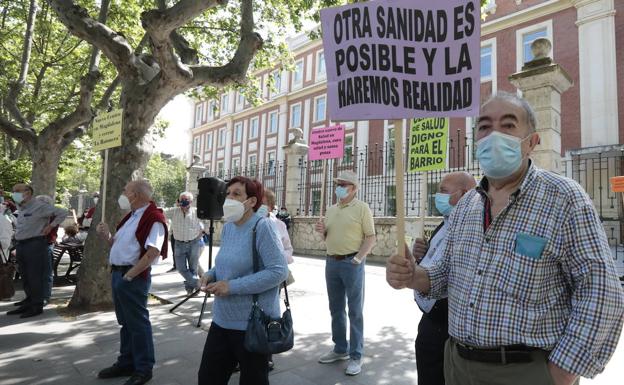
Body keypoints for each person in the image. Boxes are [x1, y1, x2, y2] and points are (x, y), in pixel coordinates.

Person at [386, 92, 624, 385]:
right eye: (484, 126)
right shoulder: (466, 208)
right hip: (457, 366)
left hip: (527, 371)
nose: (494, 135)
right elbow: (445, 275)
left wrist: (559, 374)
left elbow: (602, 293)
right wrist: (413, 275)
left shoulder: (565, 199)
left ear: (532, 142)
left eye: (508, 125)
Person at [197, 176, 288, 385]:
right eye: (227, 194)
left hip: (252, 324)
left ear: (252, 201)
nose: (229, 198)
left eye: (237, 194)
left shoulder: (263, 227)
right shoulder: (229, 227)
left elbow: (278, 271)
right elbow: (226, 263)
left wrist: (231, 286)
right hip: (221, 320)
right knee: (208, 379)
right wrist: (211, 274)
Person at [95, 180, 168, 385]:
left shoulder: (154, 218)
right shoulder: (132, 216)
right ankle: (126, 362)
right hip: (120, 274)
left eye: (125, 190)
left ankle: (144, 368)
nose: (122, 194)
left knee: (137, 324)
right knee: (126, 323)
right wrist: (107, 235)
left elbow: (153, 251)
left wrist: (130, 275)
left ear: (135, 195)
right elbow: (119, 245)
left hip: (132, 277)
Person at [411, 172, 476, 385]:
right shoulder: (446, 221)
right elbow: (439, 263)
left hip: (447, 325)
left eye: (443, 191)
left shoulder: (472, 226)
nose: (437, 195)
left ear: (464, 193)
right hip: (430, 320)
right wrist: (420, 256)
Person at [314, 170, 376, 376]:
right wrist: (321, 230)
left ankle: (356, 355)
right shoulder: (330, 209)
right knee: (336, 308)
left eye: (344, 184)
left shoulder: (362, 208)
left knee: (355, 310)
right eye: (338, 183)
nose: (339, 187)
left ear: (354, 188)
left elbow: (370, 237)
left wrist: (358, 259)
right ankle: (340, 348)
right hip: (331, 261)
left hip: (352, 262)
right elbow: (326, 237)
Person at [6, 184, 67, 318]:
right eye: (13, 191)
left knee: (35, 277)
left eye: (17, 191)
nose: (14, 193)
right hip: (22, 244)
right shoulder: (22, 207)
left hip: (35, 244)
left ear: (27, 192)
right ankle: (28, 303)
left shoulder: (40, 205)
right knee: (26, 276)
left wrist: (51, 226)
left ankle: (36, 306)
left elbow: (62, 213)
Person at [258, 189, 294, 371]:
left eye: (262, 203)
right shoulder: (247, 222)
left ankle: (267, 355)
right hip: (251, 276)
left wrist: (278, 258)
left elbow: (289, 251)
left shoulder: (279, 225)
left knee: (269, 314)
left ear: (271, 206)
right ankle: (239, 355)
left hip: (272, 277)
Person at [164, 191, 204, 295]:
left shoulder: (196, 212)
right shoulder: (174, 211)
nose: (183, 202)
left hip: (193, 243)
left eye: (185, 200)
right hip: (179, 244)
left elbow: (206, 222)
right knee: (181, 268)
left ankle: (191, 290)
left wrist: (202, 232)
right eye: (181, 199)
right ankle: (198, 284)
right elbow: (161, 211)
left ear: (190, 201)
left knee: (193, 268)